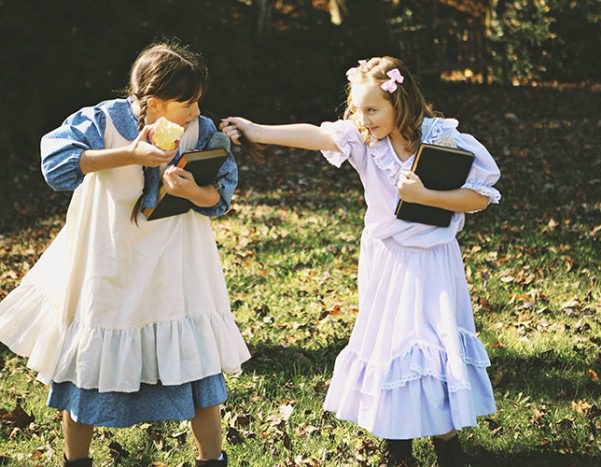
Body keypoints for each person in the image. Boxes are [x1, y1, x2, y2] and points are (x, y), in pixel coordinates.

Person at [220, 56, 500, 466]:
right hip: (386, 259)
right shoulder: (365, 142)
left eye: (372, 109)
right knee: (392, 346)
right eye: (357, 109)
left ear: (399, 103)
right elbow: (315, 136)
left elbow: (479, 197)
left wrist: (426, 197)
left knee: (434, 348)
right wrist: (256, 130)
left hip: (433, 261)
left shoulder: (443, 137)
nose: (363, 119)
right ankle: (397, 447)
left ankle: (447, 443)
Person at [0, 40, 250, 467]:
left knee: (196, 370)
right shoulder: (104, 122)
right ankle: (76, 461)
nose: (194, 111)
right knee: (87, 367)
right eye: (186, 102)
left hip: (177, 267)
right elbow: (56, 166)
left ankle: (212, 459)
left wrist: (193, 191)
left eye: (197, 102)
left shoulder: (201, 131)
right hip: (110, 262)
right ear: (152, 103)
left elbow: (220, 196)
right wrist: (129, 154)